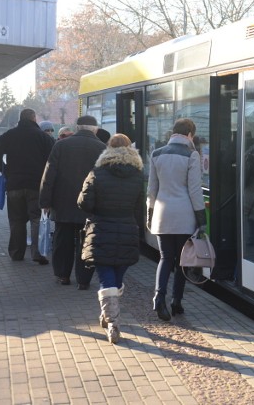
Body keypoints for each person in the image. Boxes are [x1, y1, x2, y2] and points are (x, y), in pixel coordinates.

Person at [77, 133, 144, 343]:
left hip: (101, 230)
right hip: (127, 229)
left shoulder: (97, 172)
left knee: (106, 277)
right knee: (116, 277)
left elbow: (83, 203)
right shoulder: (137, 175)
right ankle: (109, 316)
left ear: (107, 149)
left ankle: (112, 321)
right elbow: (139, 207)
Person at [147, 118, 206, 321]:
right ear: (190, 134)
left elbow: (151, 190)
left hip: (162, 215)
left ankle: (158, 297)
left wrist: (149, 215)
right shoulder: (192, 155)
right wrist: (201, 219)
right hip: (184, 216)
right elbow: (195, 191)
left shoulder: (156, 154)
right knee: (182, 261)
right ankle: (176, 301)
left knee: (165, 258)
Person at [39, 115, 107, 288]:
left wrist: (45, 201)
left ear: (77, 128)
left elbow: (49, 175)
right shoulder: (102, 148)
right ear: (95, 130)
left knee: (63, 240)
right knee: (87, 241)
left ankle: (63, 275)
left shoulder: (60, 145)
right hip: (90, 204)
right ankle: (83, 280)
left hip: (62, 203)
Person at [0, 108, 54, 264]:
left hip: (14, 185)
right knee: (36, 219)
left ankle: (16, 253)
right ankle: (37, 254)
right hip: (37, 185)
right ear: (34, 118)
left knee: (16, 220)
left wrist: (2, 168)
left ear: (20, 119)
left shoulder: (10, 135)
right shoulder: (43, 137)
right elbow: (53, 160)